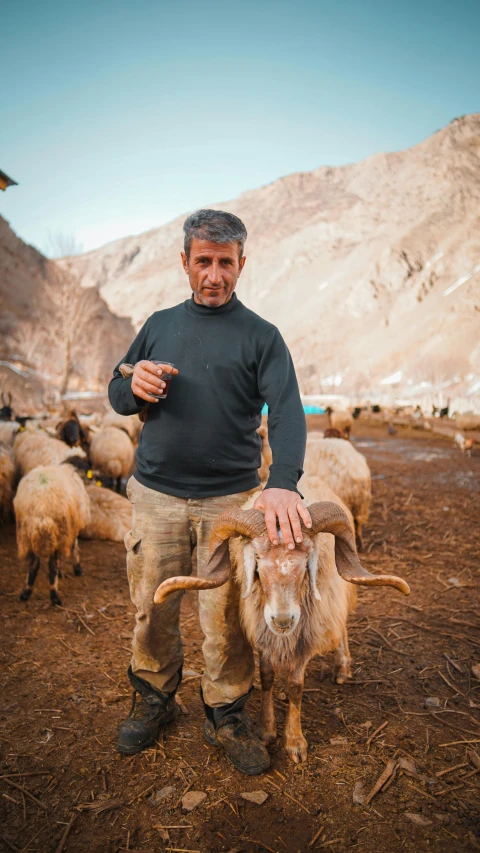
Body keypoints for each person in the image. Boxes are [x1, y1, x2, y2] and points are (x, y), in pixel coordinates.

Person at [108, 209, 309, 775]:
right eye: (203, 261)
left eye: (225, 262)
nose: (214, 274)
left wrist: (282, 484)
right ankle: (153, 699)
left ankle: (226, 711)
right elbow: (118, 394)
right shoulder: (159, 323)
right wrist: (132, 382)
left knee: (226, 616)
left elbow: (288, 412)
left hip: (231, 503)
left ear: (241, 264)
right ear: (185, 263)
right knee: (153, 605)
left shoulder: (262, 336)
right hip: (157, 497)